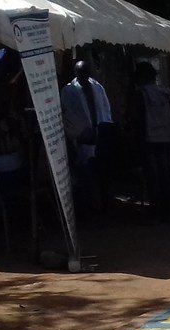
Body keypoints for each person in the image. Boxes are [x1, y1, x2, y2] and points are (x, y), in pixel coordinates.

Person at [60, 60, 112, 215]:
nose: (84, 76)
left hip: (100, 133)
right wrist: (77, 134)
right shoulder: (69, 91)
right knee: (86, 172)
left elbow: (105, 107)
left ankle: (104, 205)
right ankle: (91, 207)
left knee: (102, 171)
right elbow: (67, 114)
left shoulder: (97, 87)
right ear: (76, 73)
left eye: (86, 72)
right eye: (80, 73)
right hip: (83, 138)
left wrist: (106, 125)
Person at [133, 61, 170, 222]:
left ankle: (157, 212)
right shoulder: (164, 91)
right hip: (166, 137)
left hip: (149, 139)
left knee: (153, 176)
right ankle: (169, 211)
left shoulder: (141, 94)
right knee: (165, 174)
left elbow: (138, 120)